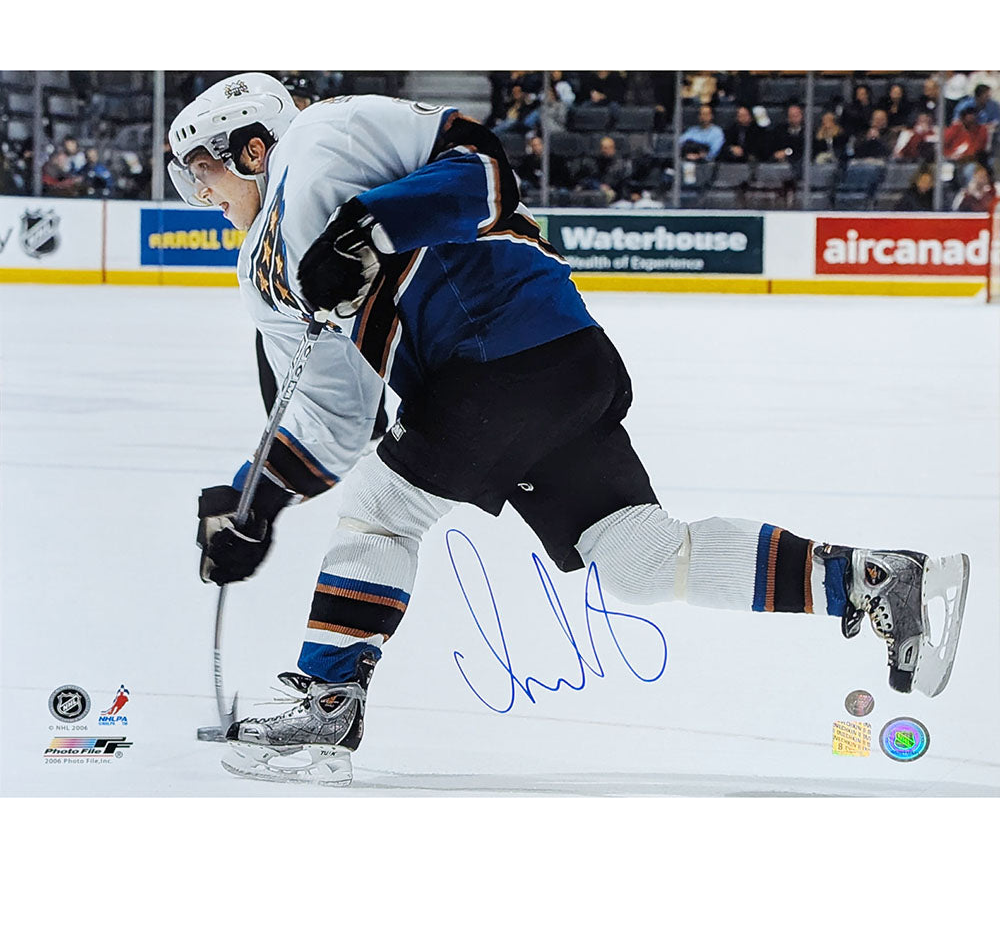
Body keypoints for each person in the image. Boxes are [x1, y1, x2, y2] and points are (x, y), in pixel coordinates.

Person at [171, 72, 970, 787]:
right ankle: (872, 579)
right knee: (641, 559)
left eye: (203, 170)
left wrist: (371, 227)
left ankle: (327, 702)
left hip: (504, 345)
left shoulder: (325, 132)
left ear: (250, 145)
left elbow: (483, 169)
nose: (201, 194)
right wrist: (251, 504)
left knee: (381, 511)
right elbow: (332, 415)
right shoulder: (260, 275)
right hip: (525, 376)